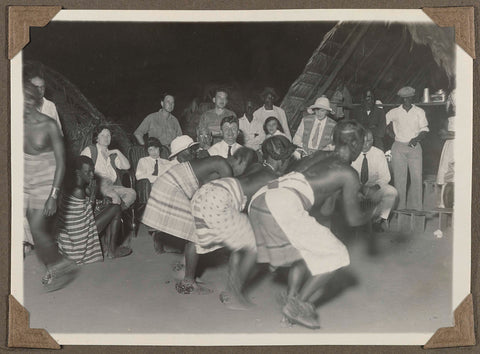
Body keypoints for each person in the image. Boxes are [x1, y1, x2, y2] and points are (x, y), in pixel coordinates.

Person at [247, 120, 375, 328]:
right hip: (283, 204)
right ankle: (296, 304)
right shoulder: (348, 173)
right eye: (362, 142)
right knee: (338, 254)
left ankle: (289, 306)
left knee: (305, 251)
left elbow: (324, 209)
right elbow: (354, 220)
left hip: (262, 198)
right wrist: (376, 210)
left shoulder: (317, 156)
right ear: (355, 144)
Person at [192, 136, 296, 309]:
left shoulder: (256, 166)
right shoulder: (273, 179)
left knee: (242, 243)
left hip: (208, 192)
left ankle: (231, 290)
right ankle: (233, 295)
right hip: (219, 200)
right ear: (283, 160)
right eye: (289, 158)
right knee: (254, 246)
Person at [142, 148, 257, 294]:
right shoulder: (223, 165)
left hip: (169, 184)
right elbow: (228, 196)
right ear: (241, 160)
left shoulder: (218, 163)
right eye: (245, 169)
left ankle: (187, 270)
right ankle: (188, 281)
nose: (241, 174)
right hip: (172, 186)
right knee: (196, 235)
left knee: (195, 230)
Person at [23, 81, 78, 292]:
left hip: (48, 177)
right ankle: (54, 264)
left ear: (32, 101)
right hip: (27, 175)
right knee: (35, 229)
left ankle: (62, 264)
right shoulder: (15, 121)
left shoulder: (48, 125)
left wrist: (54, 195)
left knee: (37, 226)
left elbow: (62, 162)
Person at [57, 156, 132, 263]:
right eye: (88, 172)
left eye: (92, 171)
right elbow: (88, 214)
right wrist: (93, 194)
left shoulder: (72, 183)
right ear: (78, 172)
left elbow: (82, 211)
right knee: (116, 208)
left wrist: (101, 200)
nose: (92, 175)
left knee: (109, 205)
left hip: (71, 236)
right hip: (79, 238)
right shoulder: (78, 190)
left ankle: (108, 246)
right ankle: (112, 250)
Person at [386, 86, 429, 210]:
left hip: (414, 147)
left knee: (416, 177)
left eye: (409, 98)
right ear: (401, 99)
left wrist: (415, 139)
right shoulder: (394, 112)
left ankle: (417, 208)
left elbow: (424, 130)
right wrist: (391, 134)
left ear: (413, 97)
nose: (406, 101)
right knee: (399, 178)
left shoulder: (419, 111)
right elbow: (384, 123)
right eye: (404, 98)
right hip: (398, 147)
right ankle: (400, 208)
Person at [351, 130, 397, 232]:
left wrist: (375, 187)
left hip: (373, 187)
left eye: (369, 141)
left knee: (391, 191)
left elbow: (385, 177)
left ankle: (377, 221)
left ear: (373, 141)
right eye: (362, 141)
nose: (366, 144)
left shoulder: (378, 153)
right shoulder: (351, 152)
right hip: (354, 188)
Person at [81, 125, 136, 210]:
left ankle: (112, 212)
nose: (106, 138)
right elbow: (81, 168)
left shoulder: (112, 155)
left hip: (112, 186)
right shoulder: (90, 150)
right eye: (102, 135)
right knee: (115, 197)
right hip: (96, 185)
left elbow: (127, 166)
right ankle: (112, 214)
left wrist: (116, 151)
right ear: (97, 138)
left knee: (132, 193)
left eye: (108, 135)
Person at [135, 137, 175, 203]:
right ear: (147, 151)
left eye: (156, 149)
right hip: (148, 186)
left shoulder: (166, 162)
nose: (154, 152)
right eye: (150, 150)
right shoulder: (143, 161)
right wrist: (156, 178)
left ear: (160, 148)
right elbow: (139, 176)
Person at [25, 68, 63, 133]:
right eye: (36, 87)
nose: (40, 90)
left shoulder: (51, 106)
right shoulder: (25, 106)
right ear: (30, 88)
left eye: (42, 87)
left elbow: (59, 132)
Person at [437, 89, 455, 208]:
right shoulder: (448, 119)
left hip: (461, 147)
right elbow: (441, 134)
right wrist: (451, 134)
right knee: (444, 174)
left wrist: (450, 134)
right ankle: (443, 204)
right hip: (450, 147)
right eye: (453, 105)